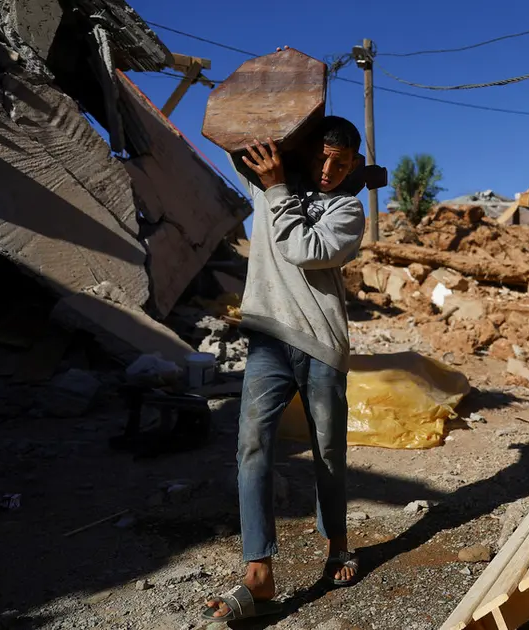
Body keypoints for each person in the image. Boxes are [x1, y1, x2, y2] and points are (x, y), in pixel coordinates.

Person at [202, 114, 365, 622]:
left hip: (321, 344)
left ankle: (336, 544)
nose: (329, 171)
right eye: (322, 158)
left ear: (353, 166)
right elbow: (237, 143)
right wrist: (275, 148)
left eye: (341, 164)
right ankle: (259, 570)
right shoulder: (269, 183)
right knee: (251, 446)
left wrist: (277, 190)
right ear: (306, 152)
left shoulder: (348, 209)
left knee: (329, 450)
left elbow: (303, 249)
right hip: (269, 338)